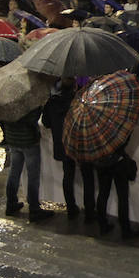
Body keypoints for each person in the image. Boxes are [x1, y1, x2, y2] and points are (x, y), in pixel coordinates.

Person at [41, 77, 94, 220]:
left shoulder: (52, 102)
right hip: (80, 143)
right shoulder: (79, 102)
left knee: (68, 175)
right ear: (75, 86)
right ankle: (89, 212)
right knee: (87, 176)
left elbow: (46, 122)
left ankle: (71, 208)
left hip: (62, 144)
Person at [3, 106, 53, 222]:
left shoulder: (5, 101)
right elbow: (32, 120)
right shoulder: (27, 102)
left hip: (13, 139)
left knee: (14, 172)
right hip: (28, 140)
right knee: (33, 176)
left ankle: (11, 203)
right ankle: (34, 209)